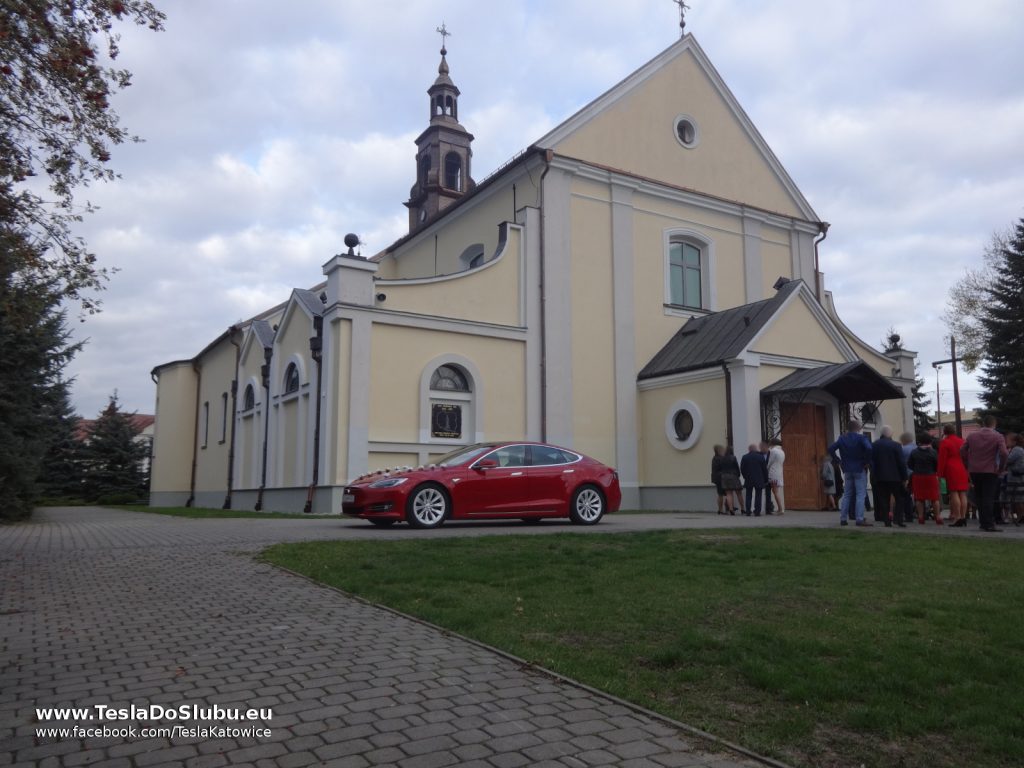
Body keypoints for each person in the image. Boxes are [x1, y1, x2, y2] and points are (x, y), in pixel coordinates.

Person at [961, 415, 1009, 532]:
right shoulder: (998, 436)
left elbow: (962, 450)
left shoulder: (972, 436)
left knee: (979, 497)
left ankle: (983, 522)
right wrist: (1001, 467)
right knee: (988, 497)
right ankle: (989, 523)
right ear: (994, 424)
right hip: (990, 470)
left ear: (983, 423)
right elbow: (1004, 453)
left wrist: (967, 463)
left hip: (974, 470)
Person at [828, 419, 873, 526]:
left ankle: (843, 518)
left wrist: (838, 460)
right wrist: (866, 461)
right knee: (860, 494)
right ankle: (859, 518)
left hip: (847, 469)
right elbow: (869, 448)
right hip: (859, 468)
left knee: (847, 494)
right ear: (858, 428)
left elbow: (830, 448)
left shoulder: (842, 438)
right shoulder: (862, 438)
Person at [872, 425, 909, 527]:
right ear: (891, 434)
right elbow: (901, 463)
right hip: (895, 477)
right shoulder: (896, 445)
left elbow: (872, 461)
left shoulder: (874, 445)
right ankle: (898, 519)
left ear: (881, 434)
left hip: (880, 477)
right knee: (899, 498)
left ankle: (886, 521)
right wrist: (905, 477)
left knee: (883, 499)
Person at [938, 424, 969, 527]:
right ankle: (964, 516)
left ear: (945, 432)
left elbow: (942, 459)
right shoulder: (962, 441)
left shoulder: (945, 442)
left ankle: (957, 517)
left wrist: (940, 474)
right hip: (962, 467)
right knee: (963, 493)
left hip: (951, 468)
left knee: (954, 492)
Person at [907, 434, 942, 525]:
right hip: (930, 476)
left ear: (919, 442)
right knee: (934, 498)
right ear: (929, 441)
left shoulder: (914, 452)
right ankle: (937, 517)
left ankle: (921, 517)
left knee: (919, 498)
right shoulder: (933, 452)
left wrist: (916, 469)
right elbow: (937, 464)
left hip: (918, 477)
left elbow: (909, 464)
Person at [1001, 433, 1024, 526]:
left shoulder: (1017, 450)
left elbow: (1007, 460)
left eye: (1008, 440)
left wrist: (1004, 450)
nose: (1006, 442)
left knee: (1016, 498)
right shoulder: (1016, 449)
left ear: (1014, 441)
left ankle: (1021, 515)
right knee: (1016, 498)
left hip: (1016, 478)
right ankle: (1020, 516)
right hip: (1016, 477)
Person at [741, 443, 768, 516]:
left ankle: (748, 511)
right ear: (756, 449)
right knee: (758, 495)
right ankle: (757, 511)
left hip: (748, 479)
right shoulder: (761, 457)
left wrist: (745, 477)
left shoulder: (745, 457)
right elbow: (764, 469)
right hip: (759, 479)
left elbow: (742, 469)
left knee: (748, 495)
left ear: (749, 449)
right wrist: (765, 479)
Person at [720, 446, 744, 515]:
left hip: (724, 476)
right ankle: (742, 508)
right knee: (738, 493)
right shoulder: (733, 457)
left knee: (728, 493)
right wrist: (738, 475)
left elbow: (721, 468)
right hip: (733, 476)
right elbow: (737, 467)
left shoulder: (722, 458)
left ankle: (731, 509)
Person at [767, 438, 786, 515]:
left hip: (773, 472)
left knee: (775, 491)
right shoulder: (782, 451)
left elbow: (770, 462)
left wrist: (766, 468)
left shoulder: (773, 451)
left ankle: (780, 509)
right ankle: (780, 508)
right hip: (779, 472)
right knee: (776, 491)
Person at [711, 445, 729, 514]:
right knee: (725, 494)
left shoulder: (715, 458)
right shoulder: (720, 458)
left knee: (720, 494)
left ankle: (720, 509)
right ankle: (724, 509)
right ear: (719, 451)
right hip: (722, 478)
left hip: (717, 478)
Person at [759, 441, 775, 514]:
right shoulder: (759, 454)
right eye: (761, 448)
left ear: (767, 447)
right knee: (759, 493)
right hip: (760, 476)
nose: (762, 449)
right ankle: (758, 509)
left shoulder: (772, 454)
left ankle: (768, 509)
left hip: (769, 476)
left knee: (768, 493)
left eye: (763, 447)